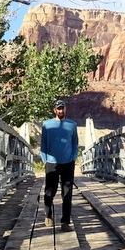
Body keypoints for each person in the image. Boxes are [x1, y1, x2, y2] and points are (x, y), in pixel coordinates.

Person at [40, 99, 78, 231]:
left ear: (65, 109)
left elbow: (75, 143)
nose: (61, 111)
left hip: (68, 163)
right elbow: (43, 143)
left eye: (63, 108)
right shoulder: (47, 124)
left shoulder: (72, 125)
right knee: (50, 191)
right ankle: (48, 215)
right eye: (58, 108)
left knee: (67, 193)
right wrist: (44, 159)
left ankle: (65, 222)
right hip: (51, 163)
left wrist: (73, 158)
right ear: (54, 110)